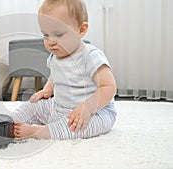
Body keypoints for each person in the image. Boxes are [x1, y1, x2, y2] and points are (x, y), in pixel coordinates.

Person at [11, 0, 117, 140]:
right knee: (32, 105)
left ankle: (37, 132)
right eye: (46, 35)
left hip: (95, 112)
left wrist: (88, 108)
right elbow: (54, 75)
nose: (50, 41)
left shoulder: (90, 56)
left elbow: (109, 87)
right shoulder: (56, 55)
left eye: (58, 35)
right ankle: (7, 122)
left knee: (76, 127)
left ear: (81, 30)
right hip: (60, 107)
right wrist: (48, 89)